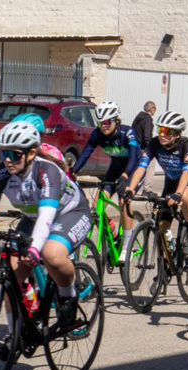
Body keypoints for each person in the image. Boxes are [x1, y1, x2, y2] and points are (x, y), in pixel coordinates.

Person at [0, 121, 91, 335]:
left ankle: (68, 299)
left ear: (31, 153)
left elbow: (47, 216)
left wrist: (34, 249)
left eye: (13, 154)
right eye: (3, 153)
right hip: (34, 216)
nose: (6, 160)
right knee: (12, 275)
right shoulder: (1, 173)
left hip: (71, 212)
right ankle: (17, 335)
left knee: (51, 254)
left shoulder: (47, 171)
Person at [73, 100, 142, 263]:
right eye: (100, 122)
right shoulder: (97, 134)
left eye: (106, 122)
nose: (103, 126)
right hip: (115, 167)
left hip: (134, 168)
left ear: (115, 120)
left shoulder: (128, 132)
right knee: (97, 206)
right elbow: (85, 153)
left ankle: (127, 246)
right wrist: (73, 171)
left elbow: (132, 157)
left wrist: (125, 176)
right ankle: (113, 231)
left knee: (125, 201)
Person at [127, 111, 188, 256]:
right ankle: (165, 270)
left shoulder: (185, 144)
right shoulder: (155, 143)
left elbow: (186, 172)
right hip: (170, 184)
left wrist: (178, 194)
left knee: (185, 197)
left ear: (177, 134)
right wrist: (130, 189)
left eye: (166, 131)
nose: (161, 134)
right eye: (160, 130)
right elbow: (141, 167)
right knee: (162, 228)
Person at [131, 101, 156, 194]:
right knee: (150, 166)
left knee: (138, 167)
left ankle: (132, 186)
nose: (155, 111)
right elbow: (147, 136)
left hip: (136, 147)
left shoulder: (138, 117)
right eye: (155, 108)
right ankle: (147, 189)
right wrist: (151, 147)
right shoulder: (148, 119)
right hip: (144, 148)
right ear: (152, 108)